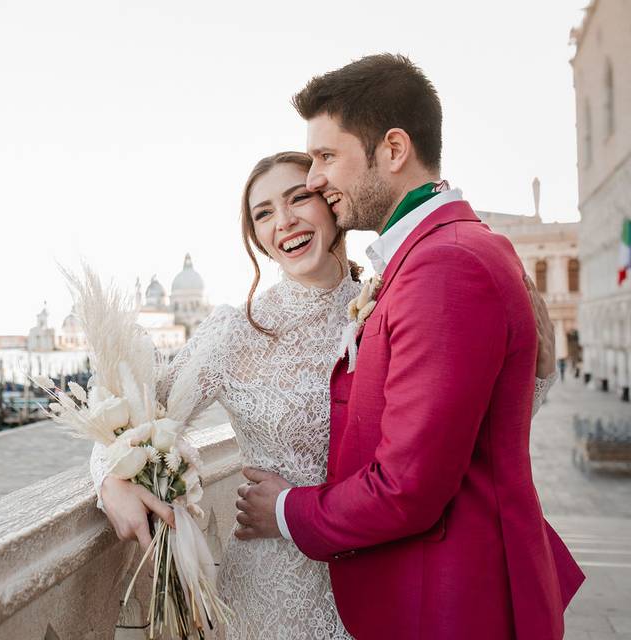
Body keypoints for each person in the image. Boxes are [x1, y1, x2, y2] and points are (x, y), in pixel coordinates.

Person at [91, 149, 557, 637]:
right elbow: (134, 413)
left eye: (299, 198)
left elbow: (459, 431)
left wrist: (537, 371)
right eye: (264, 214)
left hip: (389, 574)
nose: (285, 221)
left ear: (332, 205)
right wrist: (110, 480)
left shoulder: (394, 300)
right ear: (257, 239)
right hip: (274, 593)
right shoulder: (233, 332)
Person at [235, 54, 584, 639]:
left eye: (326, 156)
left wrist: (285, 510)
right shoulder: (438, 254)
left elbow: (407, 489)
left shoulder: (444, 267)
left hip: (451, 606)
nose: (315, 179)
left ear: (393, 150)